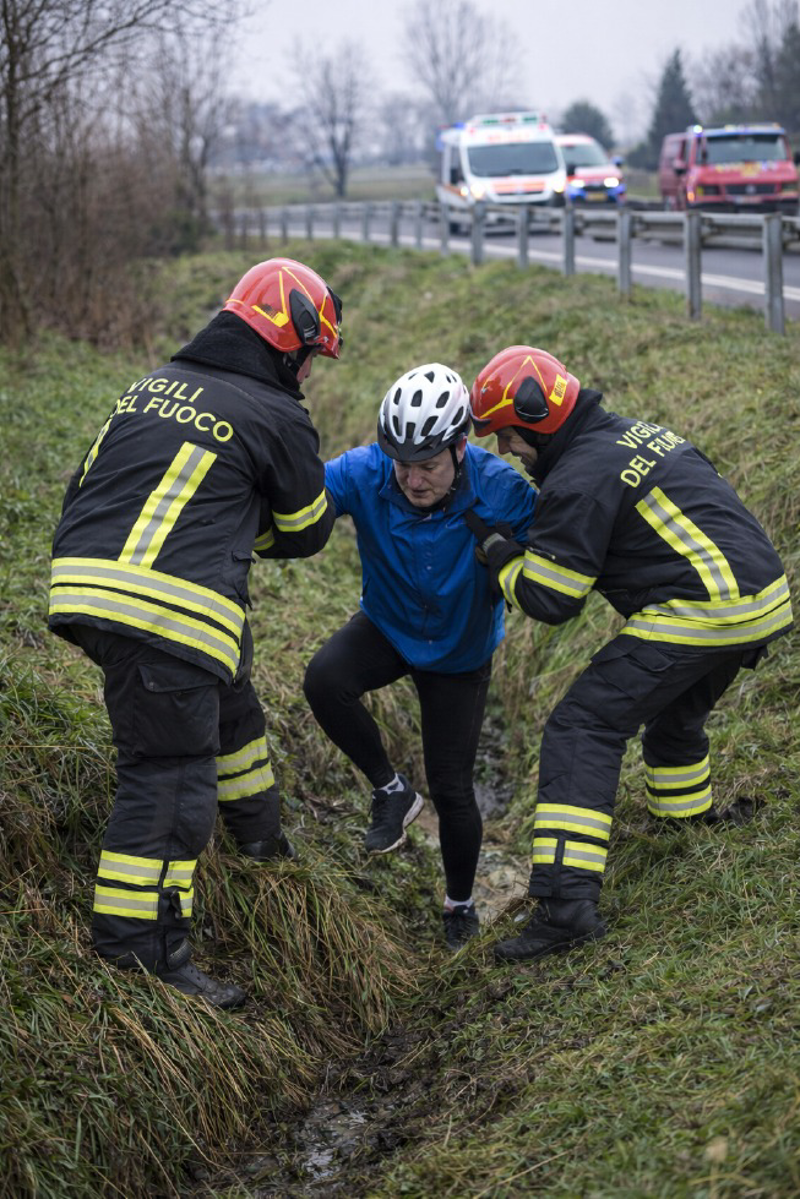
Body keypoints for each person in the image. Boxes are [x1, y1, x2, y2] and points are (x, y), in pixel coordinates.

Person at [48, 258, 344, 1008]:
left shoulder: (149, 385)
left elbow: (87, 483)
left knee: (229, 696)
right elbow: (309, 529)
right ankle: (143, 953)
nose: (307, 373)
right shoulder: (276, 413)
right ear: (287, 344)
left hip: (86, 581)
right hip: (170, 605)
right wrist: (246, 525)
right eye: (309, 358)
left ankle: (260, 839)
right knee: (170, 772)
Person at [465, 345, 793, 964]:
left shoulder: (578, 478)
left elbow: (552, 598)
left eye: (508, 437)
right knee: (673, 709)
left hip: (705, 607)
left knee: (583, 725)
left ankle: (565, 907)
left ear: (536, 420)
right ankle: (687, 820)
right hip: (763, 596)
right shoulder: (637, 435)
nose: (506, 451)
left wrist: (499, 555)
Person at [303, 363, 537, 950]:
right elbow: (302, 497)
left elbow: (570, 542)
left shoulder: (502, 489)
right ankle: (389, 791)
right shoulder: (366, 471)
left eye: (428, 466)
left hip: (460, 652)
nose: (412, 480)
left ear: (460, 448)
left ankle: (459, 906)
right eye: (402, 464)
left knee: (453, 789)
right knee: (324, 680)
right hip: (388, 625)